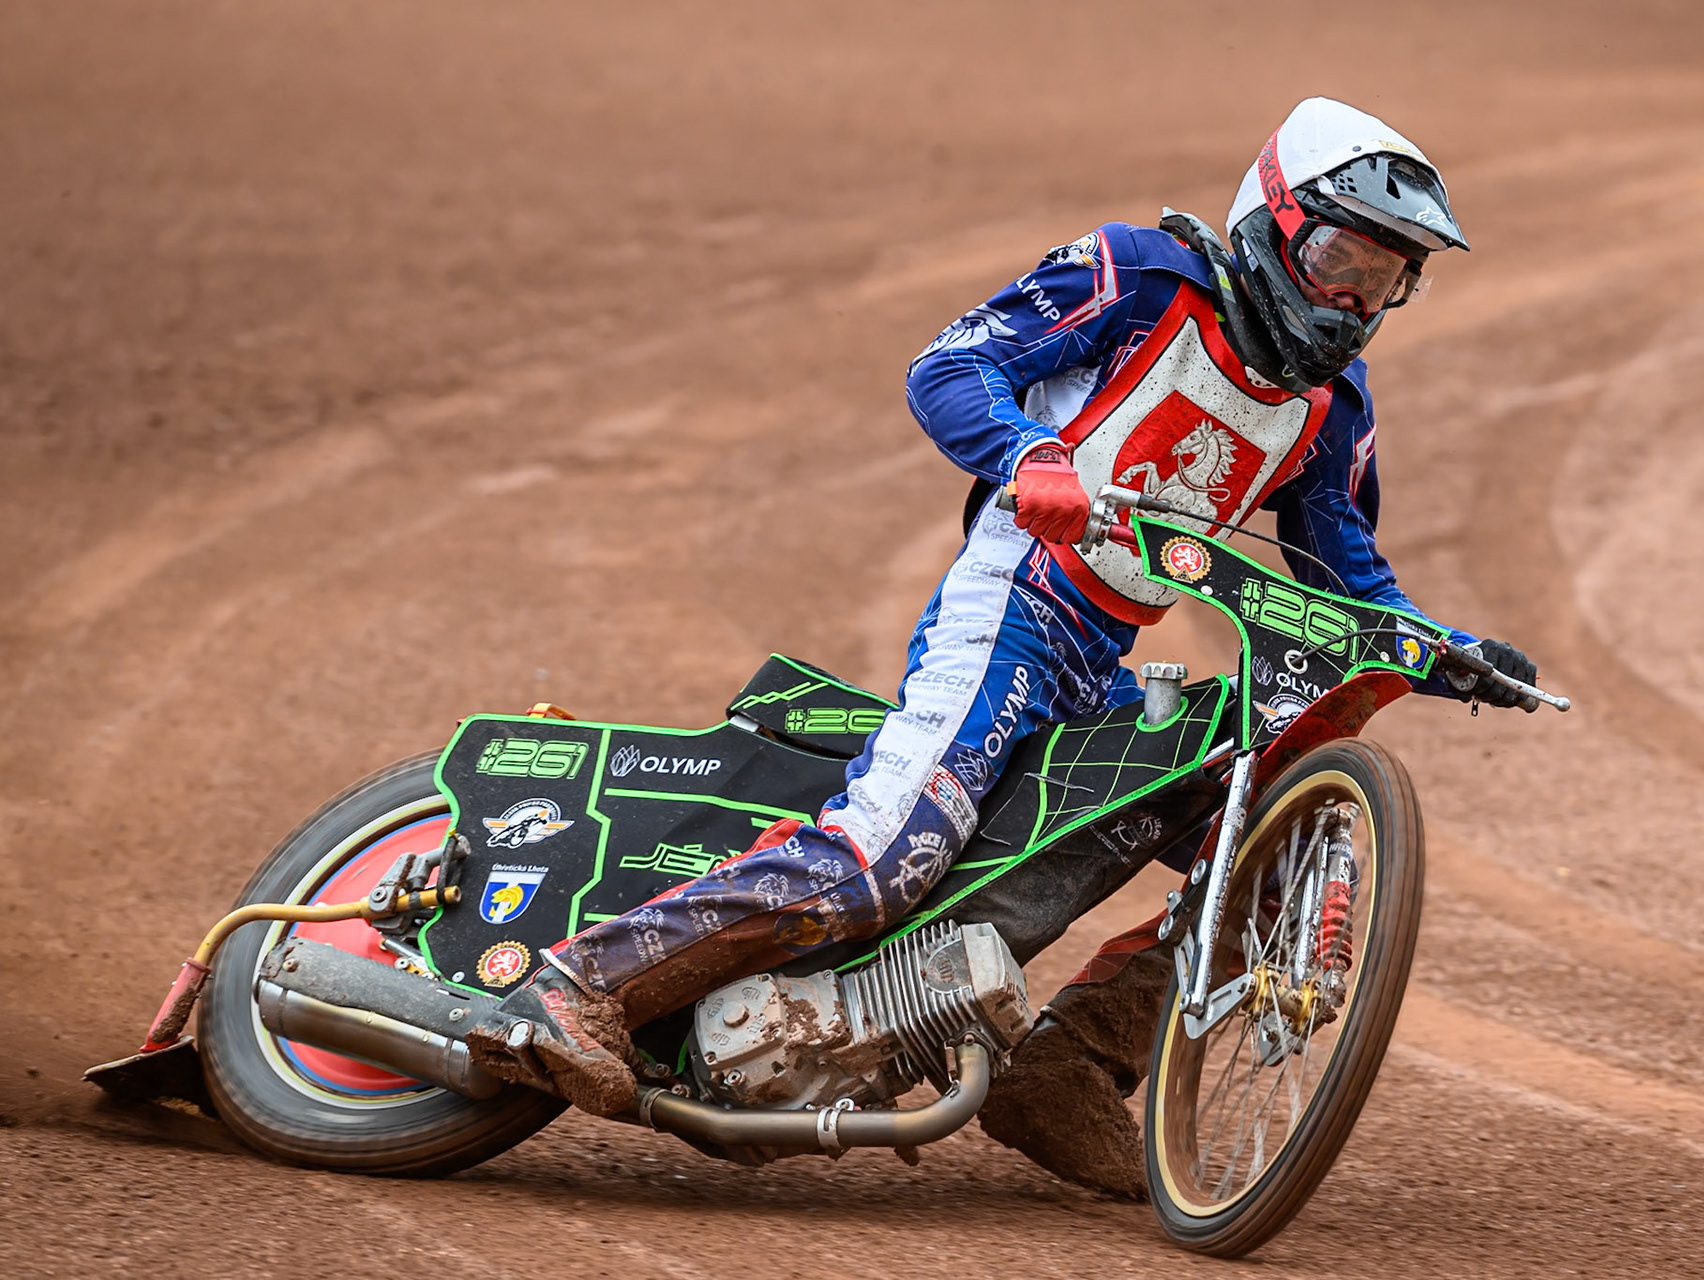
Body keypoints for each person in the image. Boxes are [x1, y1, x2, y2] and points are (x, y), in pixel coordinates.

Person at [468, 98, 1538, 1163]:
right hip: (1014, 604)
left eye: (1389, 275)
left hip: (1104, 663)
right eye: (1344, 256)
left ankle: (1066, 1070)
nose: (1356, 297)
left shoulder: (1330, 406)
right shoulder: (1140, 276)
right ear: (1274, 219)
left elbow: (1346, 578)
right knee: (888, 855)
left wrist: (1452, 653)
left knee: (1263, 828)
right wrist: (1031, 456)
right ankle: (584, 985)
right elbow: (949, 365)